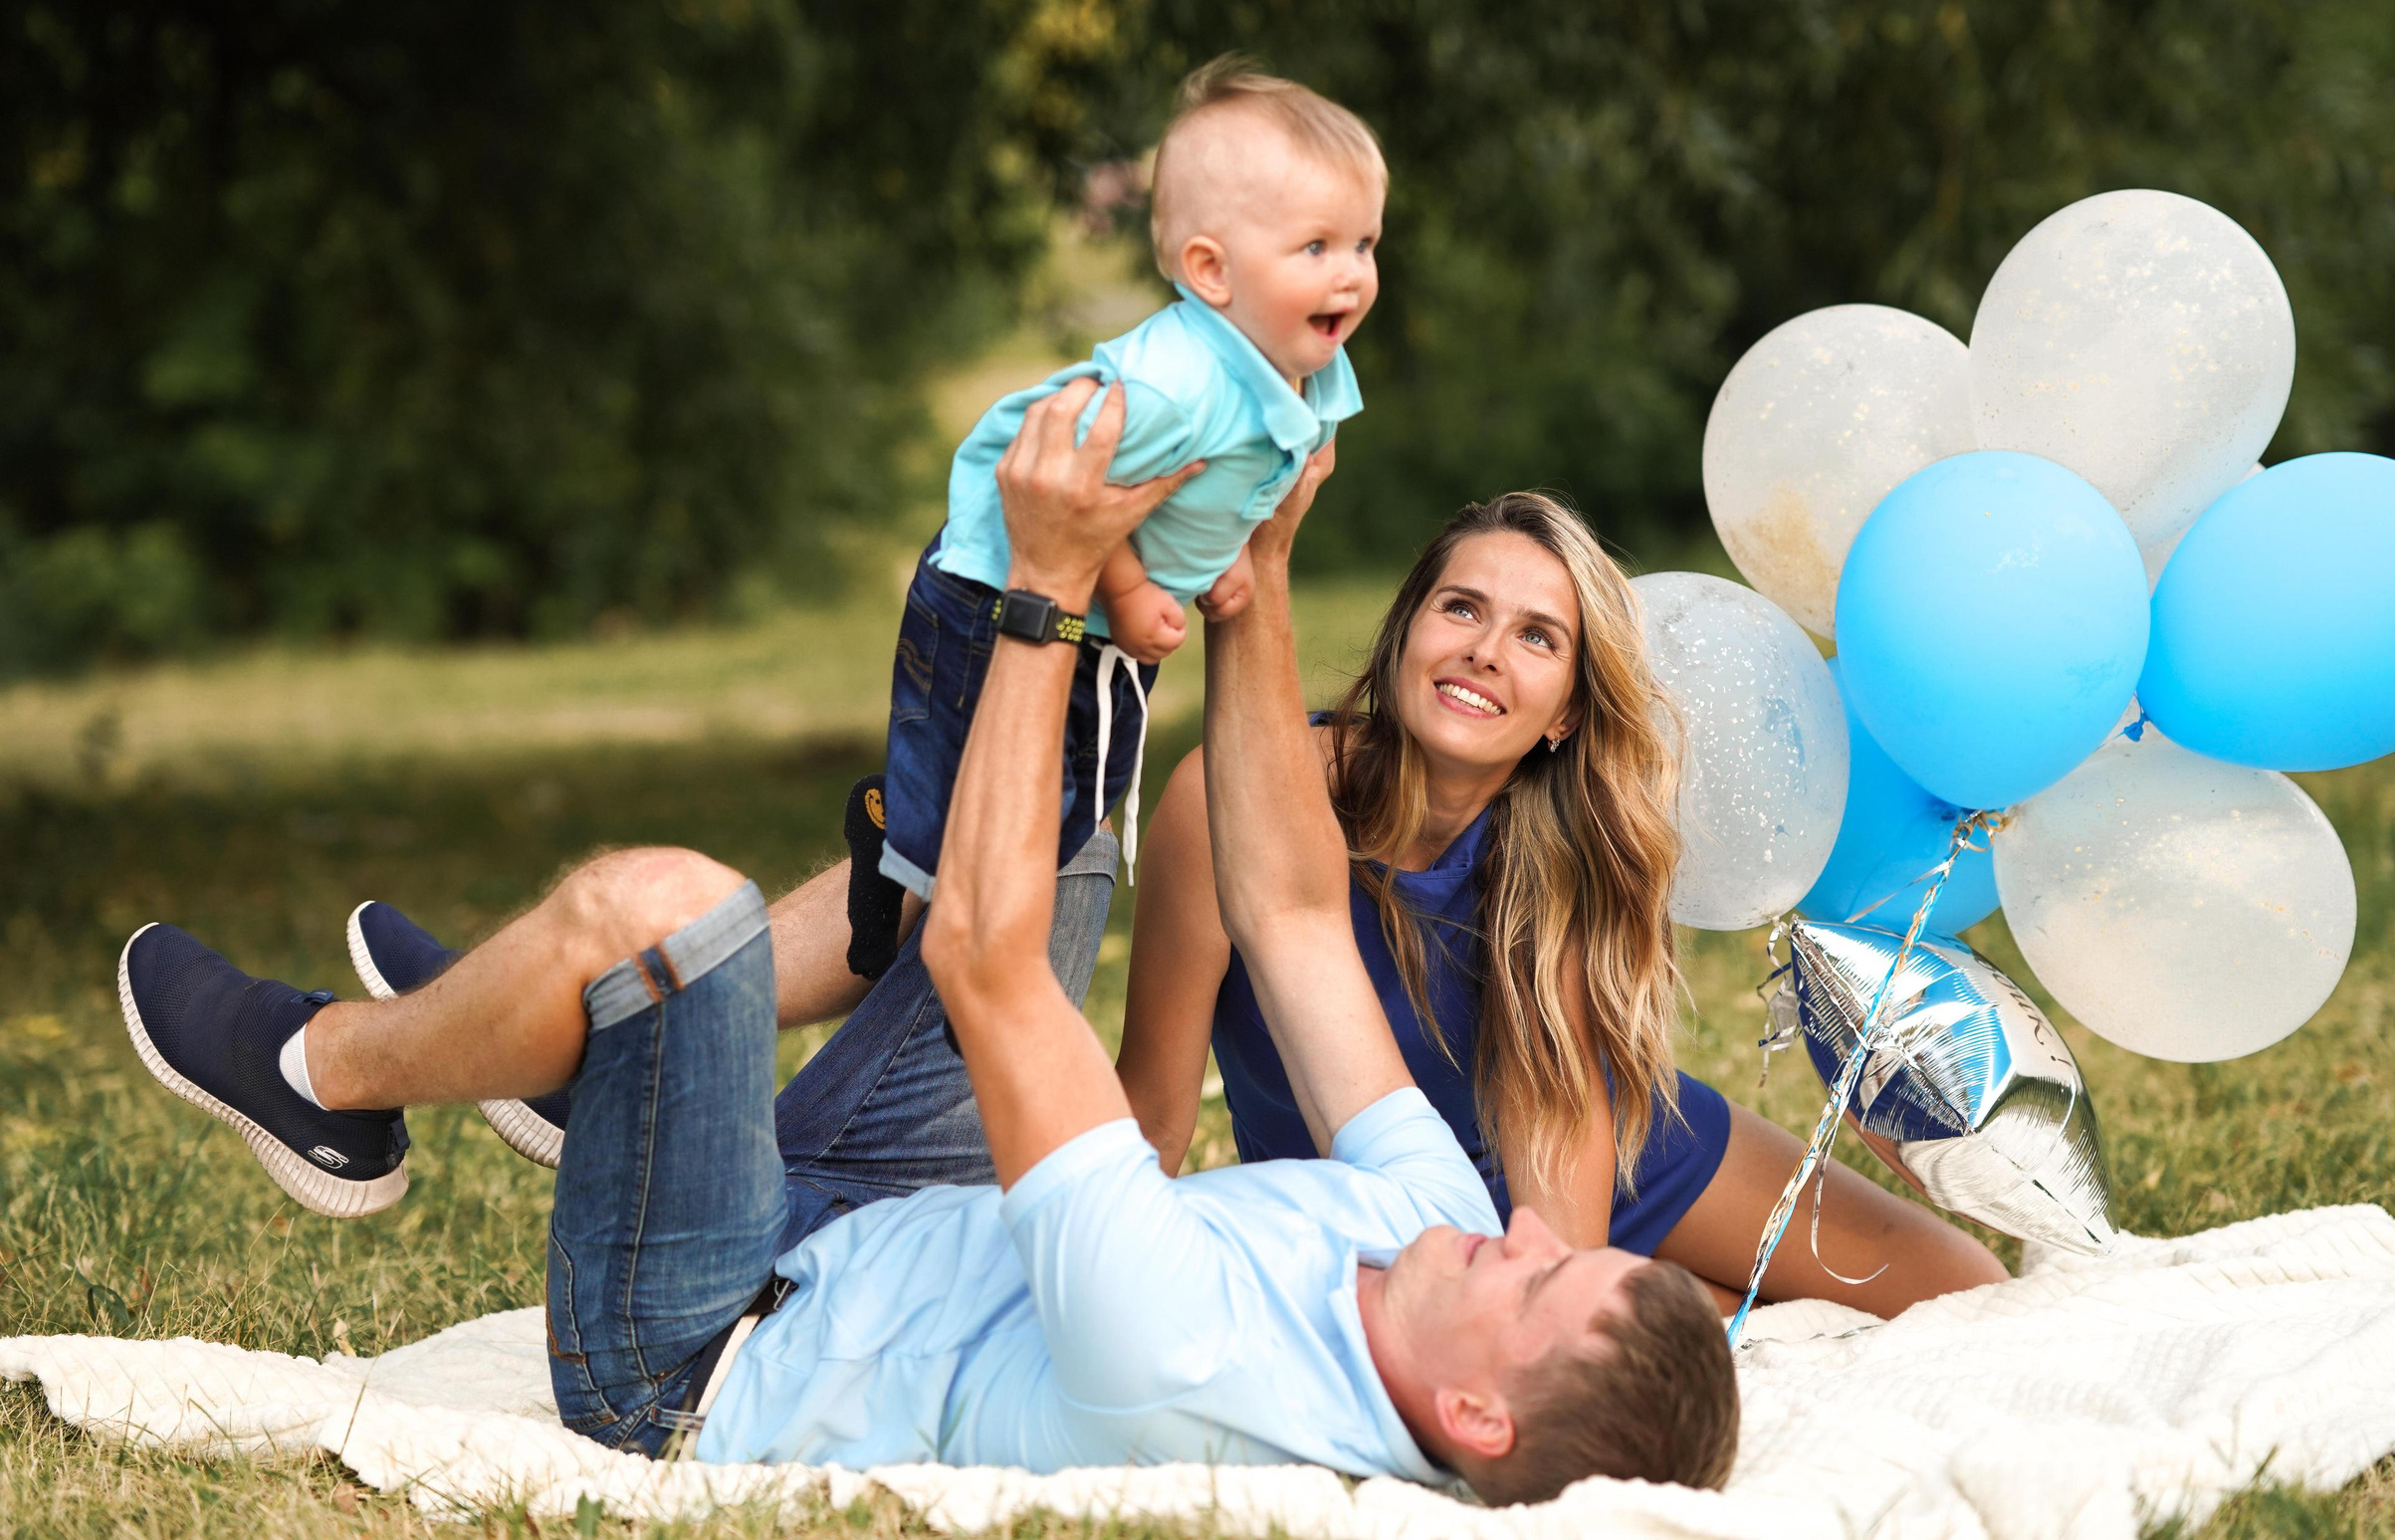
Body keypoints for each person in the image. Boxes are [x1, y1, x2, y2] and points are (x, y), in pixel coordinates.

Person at [113, 378, 1738, 1502]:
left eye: (1543, 1279)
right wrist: (1257, 575)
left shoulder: (1192, 1359)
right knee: (1056, 802)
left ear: (1468, 1412)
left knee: (662, 911)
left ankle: (327, 1071)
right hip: (916, 1225)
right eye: (1564, 1240)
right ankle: (585, 1067)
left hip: (707, 1337)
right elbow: (1300, 906)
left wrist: (1044, 592)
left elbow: (988, 962)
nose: (1526, 1227)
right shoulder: (1440, 1229)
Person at [1116, 492, 2010, 1316]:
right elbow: (1154, 1118)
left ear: (1565, 717)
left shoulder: (1569, 849)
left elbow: (1561, 1132)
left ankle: (1660, 1291)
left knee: (1964, 1291)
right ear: (1402, 640)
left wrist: (1561, 1289)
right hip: (1369, 1206)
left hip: (1590, 1148)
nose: (1487, 650)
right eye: (1461, 607)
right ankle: (1672, 1295)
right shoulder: (1229, 801)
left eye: (1538, 637)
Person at [841, 55, 1386, 979]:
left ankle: (948, 916)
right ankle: (898, 846)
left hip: (1097, 617)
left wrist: (1222, 556)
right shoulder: (1172, 387)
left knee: (1071, 808)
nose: (1352, 276)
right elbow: (1070, 491)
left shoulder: (1297, 359)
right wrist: (1132, 591)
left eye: (1366, 246)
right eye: (1317, 249)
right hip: (995, 583)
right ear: (1210, 270)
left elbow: (1231, 481)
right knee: (999, 817)